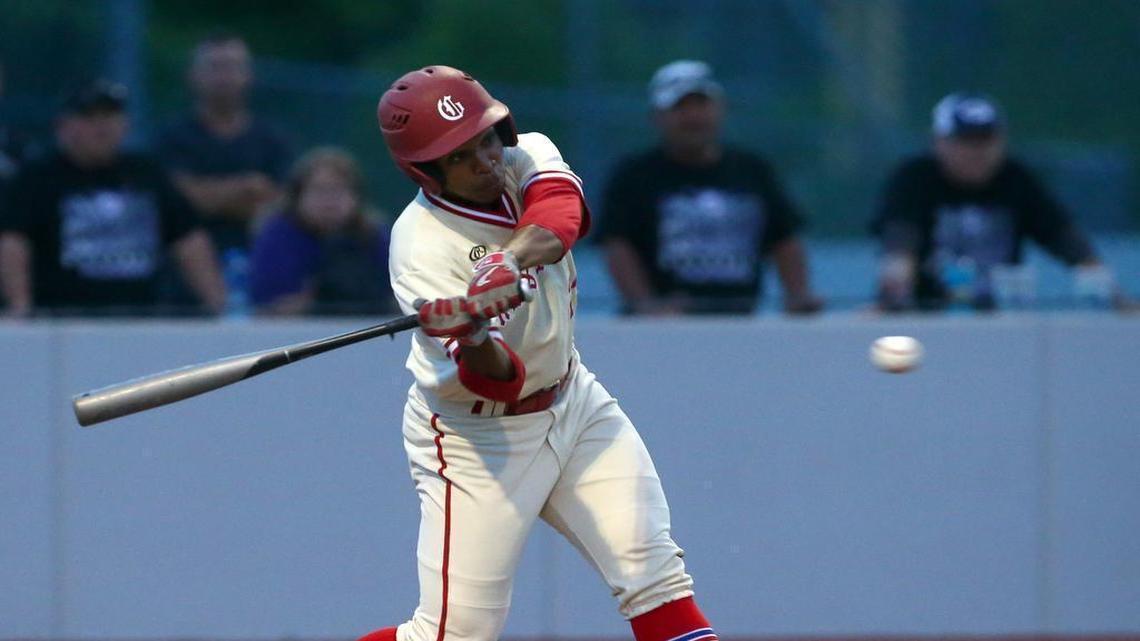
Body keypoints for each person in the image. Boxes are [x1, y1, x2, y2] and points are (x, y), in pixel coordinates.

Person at [358, 66, 719, 641]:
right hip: (477, 441)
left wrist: (505, 263)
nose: (487, 160)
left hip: (575, 404)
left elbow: (560, 218)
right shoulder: (421, 245)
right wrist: (473, 333)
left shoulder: (526, 153)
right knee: (452, 636)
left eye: (487, 137)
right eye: (460, 155)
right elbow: (496, 380)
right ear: (424, 170)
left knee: (656, 582)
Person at [597, 60, 822, 315]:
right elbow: (617, 244)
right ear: (657, 117)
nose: (693, 116)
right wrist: (645, 304)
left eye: (701, 105)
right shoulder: (634, 176)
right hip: (664, 330)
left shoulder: (752, 170)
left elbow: (785, 238)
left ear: (720, 109)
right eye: (680, 107)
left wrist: (797, 295)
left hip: (741, 321)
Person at [871, 92, 1124, 311]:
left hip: (1003, 315)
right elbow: (900, 242)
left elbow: (1064, 238)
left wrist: (1112, 295)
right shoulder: (915, 178)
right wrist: (894, 291)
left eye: (986, 141)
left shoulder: (1016, 179)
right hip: (927, 315)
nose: (976, 152)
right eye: (965, 142)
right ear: (939, 142)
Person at [0, 79, 225, 317]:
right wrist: (20, 307)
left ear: (125, 124)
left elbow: (188, 239)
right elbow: (13, 241)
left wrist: (218, 305)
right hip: (63, 322)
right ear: (63, 125)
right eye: (89, 117)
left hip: (145, 320)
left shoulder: (146, 173)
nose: (101, 126)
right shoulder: (37, 178)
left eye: (110, 116)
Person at [156, 32, 292, 253]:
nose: (224, 77)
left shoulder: (273, 140)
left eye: (232, 67)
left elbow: (282, 206)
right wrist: (247, 187)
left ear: (249, 75)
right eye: (215, 67)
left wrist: (205, 194)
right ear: (193, 75)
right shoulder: (171, 139)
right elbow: (175, 203)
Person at [249, 147, 393, 315]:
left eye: (338, 190)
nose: (329, 201)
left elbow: (401, 298)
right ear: (297, 195)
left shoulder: (373, 234)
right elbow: (267, 308)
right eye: (319, 190)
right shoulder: (277, 237)